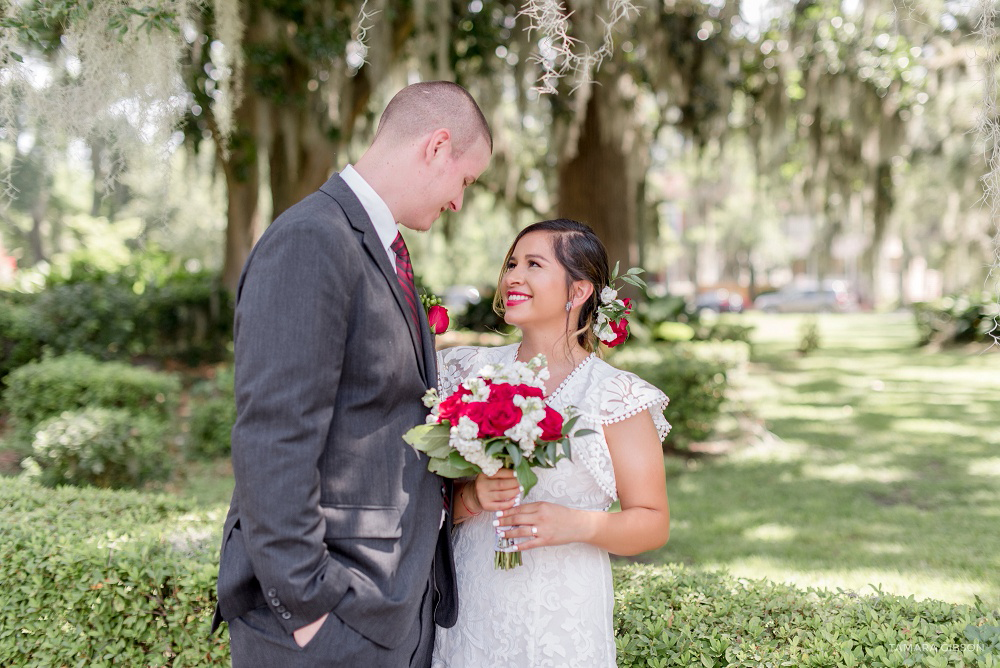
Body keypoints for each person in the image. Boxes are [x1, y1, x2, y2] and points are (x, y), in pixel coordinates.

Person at [212, 81, 492, 668]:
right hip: (329, 623)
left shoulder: (385, 251)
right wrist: (308, 611)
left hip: (389, 608)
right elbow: (274, 434)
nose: (459, 202)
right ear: (436, 146)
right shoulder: (313, 238)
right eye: (465, 180)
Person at [431, 219, 671, 667]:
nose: (513, 277)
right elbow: (427, 492)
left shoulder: (617, 396)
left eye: (534, 264)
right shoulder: (464, 371)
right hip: (470, 610)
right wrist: (472, 498)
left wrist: (578, 525)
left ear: (577, 293)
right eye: (511, 263)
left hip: (561, 620)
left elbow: (653, 523)